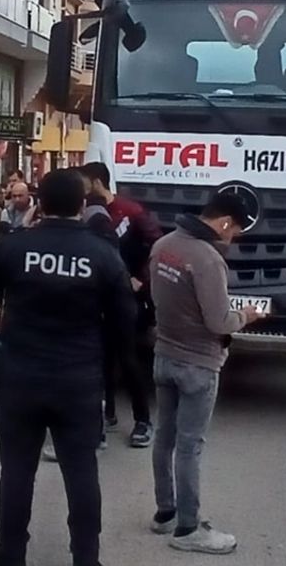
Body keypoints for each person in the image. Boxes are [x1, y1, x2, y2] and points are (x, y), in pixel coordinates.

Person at [0, 169, 137, 566]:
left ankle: (11, 551)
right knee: (81, 471)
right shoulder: (103, 254)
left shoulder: (13, 247)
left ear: (39, 204)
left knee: (16, 471)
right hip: (77, 379)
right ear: (82, 205)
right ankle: (86, 557)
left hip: (20, 377)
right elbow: (125, 323)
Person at [148, 192, 261, 554]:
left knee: (164, 437)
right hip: (198, 363)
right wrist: (247, 315)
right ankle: (188, 529)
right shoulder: (208, 259)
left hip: (164, 355)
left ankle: (165, 512)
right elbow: (219, 321)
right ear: (224, 222)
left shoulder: (164, 245)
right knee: (189, 446)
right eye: (235, 230)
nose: (233, 237)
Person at [79, 162, 159, 449]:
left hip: (125, 298)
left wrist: (141, 279)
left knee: (128, 359)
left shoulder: (131, 211)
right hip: (93, 297)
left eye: (83, 182)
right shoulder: (85, 213)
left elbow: (157, 246)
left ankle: (143, 421)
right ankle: (105, 414)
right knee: (99, 359)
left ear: (96, 182)